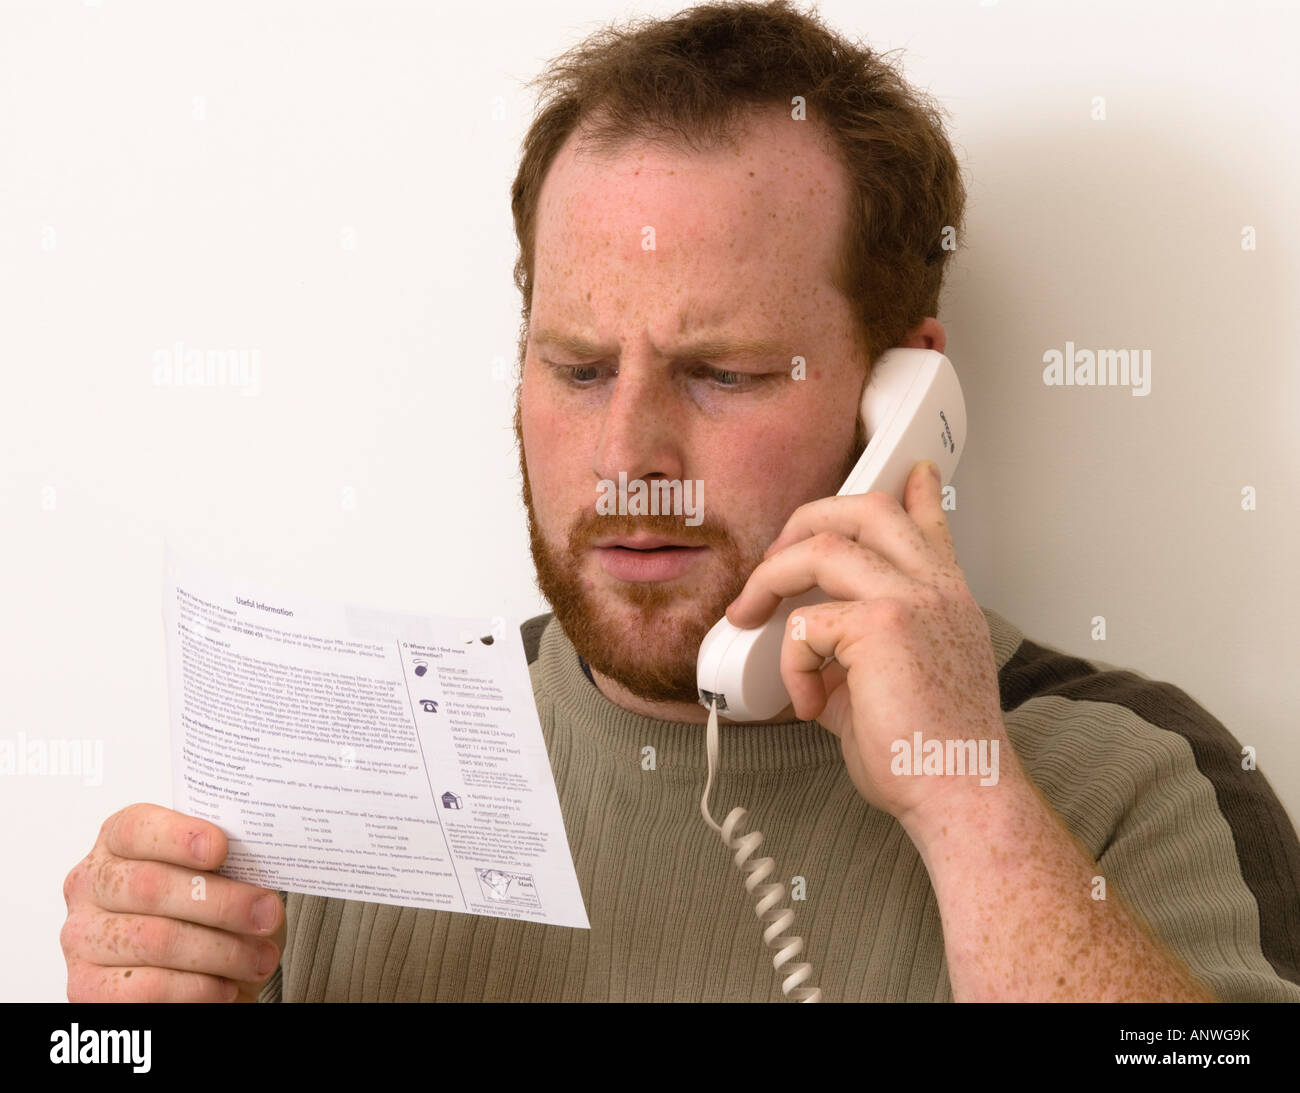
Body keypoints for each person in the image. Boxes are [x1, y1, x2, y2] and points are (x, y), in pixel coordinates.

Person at [60, 0, 1300, 1003]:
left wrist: (965, 799)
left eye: (724, 374)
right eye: (577, 366)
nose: (626, 453)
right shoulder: (351, 776)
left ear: (905, 402)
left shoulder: (1140, 781)